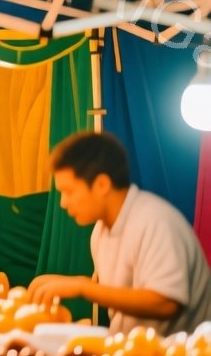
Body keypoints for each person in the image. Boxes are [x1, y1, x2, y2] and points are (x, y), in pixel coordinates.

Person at [28, 132, 211, 335]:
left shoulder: (155, 220)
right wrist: (58, 283)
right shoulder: (100, 231)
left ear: (102, 185)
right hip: (130, 353)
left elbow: (165, 303)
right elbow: (115, 292)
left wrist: (82, 287)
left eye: (69, 191)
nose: (63, 203)